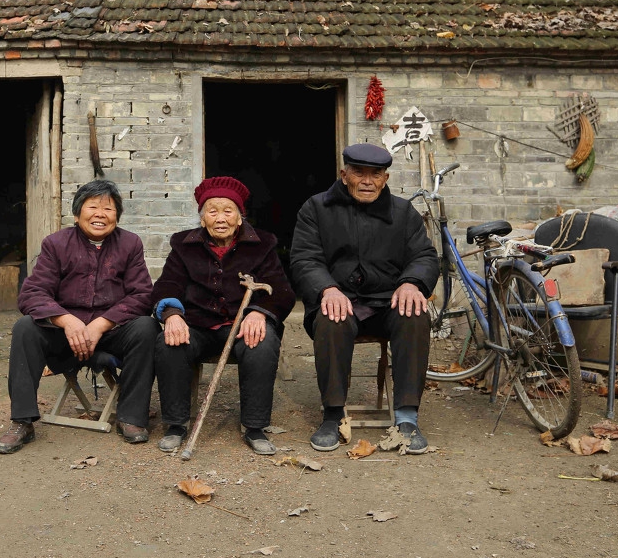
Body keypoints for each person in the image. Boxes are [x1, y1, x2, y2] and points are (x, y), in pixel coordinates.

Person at [289, 143, 439, 453]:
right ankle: (332, 416)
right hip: (338, 298)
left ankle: (407, 417)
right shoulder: (316, 209)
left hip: (388, 301)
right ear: (344, 175)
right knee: (332, 318)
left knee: (414, 313)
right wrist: (327, 289)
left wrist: (411, 283)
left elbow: (424, 255)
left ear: (386, 178)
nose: (367, 181)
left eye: (376, 174)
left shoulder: (403, 213)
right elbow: (305, 258)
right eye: (359, 173)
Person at [0, 179, 158, 453]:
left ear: (116, 215)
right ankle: (22, 421)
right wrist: (66, 320)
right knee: (25, 328)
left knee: (146, 327)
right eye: (92, 207)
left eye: (108, 208)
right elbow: (32, 293)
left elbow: (142, 295)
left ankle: (131, 417)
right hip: (64, 337)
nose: (100, 214)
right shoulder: (56, 244)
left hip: (110, 335)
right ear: (76, 214)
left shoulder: (130, 244)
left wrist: (102, 323)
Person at [151, 176, 295, 455]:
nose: (220, 218)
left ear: (240, 218)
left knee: (261, 343)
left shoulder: (262, 244)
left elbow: (281, 290)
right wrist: (171, 314)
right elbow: (167, 285)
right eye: (212, 211)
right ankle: (176, 424)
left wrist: (259, 314)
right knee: (169, 342)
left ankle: (255, 427)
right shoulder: (184, 245)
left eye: (228, 211)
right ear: (202, 219)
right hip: (197, 325)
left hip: (242, 325)